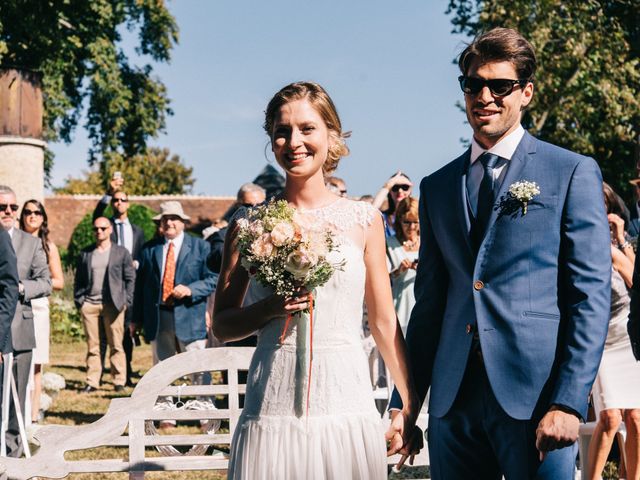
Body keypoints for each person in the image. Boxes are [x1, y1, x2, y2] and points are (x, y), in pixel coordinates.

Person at [390, 28, 611, 479]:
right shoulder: (437, 186)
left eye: (500, 86)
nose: (485, 96)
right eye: (473, 84)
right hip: (453, 404)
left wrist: (568, 401)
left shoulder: (570, 171)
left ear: (526, 92)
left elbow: (589, 297)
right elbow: (430, 306)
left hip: (537, 400)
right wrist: (406, 404)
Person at [213, 81, 421, 479]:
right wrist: (268, 309)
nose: (294, 141)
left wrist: (408, 404)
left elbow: (382, 322)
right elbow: (222, 325)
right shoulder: (248, 225)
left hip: (345, 397)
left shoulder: (365, 221)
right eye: (282, 130)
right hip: (271, 402)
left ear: (331, 135)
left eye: (307, 128)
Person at [587, 183, 640, 480]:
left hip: (626, 334)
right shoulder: (578, 241)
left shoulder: (619, 244)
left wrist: (620, 240)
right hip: (598, 339)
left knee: (635, 417)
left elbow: (637, 283)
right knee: (608, 417)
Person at [133, 201, 216, 369]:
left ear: (183, 223)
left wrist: (190, 289)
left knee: (197, 365)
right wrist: (136, 319)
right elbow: (140, 287)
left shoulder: (201, 247)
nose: (169, 222)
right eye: (165, 219)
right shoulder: (149, 249)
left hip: (190, 315)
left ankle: (202, 396)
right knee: (162, 367)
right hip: (159, 316)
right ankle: (165, 396)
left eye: (174, 218)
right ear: (160, 223)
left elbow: (213, 279)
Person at [0, 185, 51, 457]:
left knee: (16, 399)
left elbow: (46, 282)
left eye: (12, 207)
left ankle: (14, 456)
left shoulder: (30, 243)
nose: (8, 212)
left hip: (20, 328)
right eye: (2, 207)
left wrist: (20, 288)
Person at [93, 177, 145, 387]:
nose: (118, 203)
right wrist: (108, 191)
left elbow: (140, 252)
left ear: (128, 204)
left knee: (127, 329)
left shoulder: (137, 230)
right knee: (105, 331)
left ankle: (127, 369)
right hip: (109, 284)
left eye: (122, 200)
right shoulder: (105, 225)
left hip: (129, 285)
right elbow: (97, 214)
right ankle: (101, 372)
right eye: (115, 200)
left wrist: (137, 263)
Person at [73, 217, 135, 393]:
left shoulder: (121, 252)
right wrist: (80, 300)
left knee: (116, 344)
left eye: (102, 228)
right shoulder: (86, 253)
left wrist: (126, 301)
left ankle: (119, 380)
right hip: (90, 305)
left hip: (113, 305)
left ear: (110, 230)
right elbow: (78, 279)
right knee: (93, 345)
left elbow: (130, 278)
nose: (99, 231)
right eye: (96, 229)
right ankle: (92, 381)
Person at [19, 199, 64, 423]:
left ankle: (34, 415)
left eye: (37, 212)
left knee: (36, 363)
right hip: (15, 306)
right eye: (27, 212)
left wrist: (30, 284)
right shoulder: (13, 242)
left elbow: (58, 281)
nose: (32, 216)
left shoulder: (48, 246)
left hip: (37, 307)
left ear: (43, 217)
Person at [206, 183, 266, 274]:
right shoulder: (223, 235)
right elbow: (214, 263)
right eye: (248, 206)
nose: (254, 210)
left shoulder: (274, 231)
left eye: (259, 205)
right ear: (238, 205)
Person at [386, 197, 420, 335]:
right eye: (407, 222)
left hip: (422, 305)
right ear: (399, 220)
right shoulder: (389, 243)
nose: (411, 227)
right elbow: (381, 279)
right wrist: (398, 271)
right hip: (399, 305)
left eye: (415, 222)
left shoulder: (428, 242)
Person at [372, 171, 413, 237]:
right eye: (395, 187)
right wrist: (388, 185)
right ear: (390, 191)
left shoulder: (417, 217)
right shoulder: (382, 218)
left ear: (410, 190)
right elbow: (370, 212)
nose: (400, 191)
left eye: (405, 187)